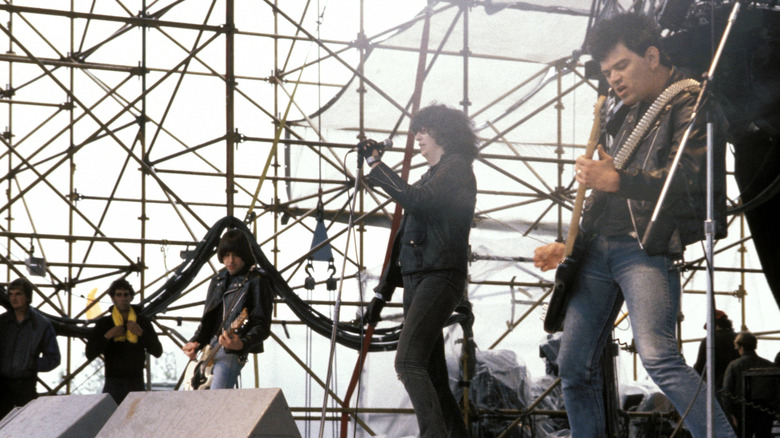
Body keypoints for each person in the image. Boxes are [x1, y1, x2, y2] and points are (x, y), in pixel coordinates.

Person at [532, 13, 735, 437]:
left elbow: (691, 177)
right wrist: (569, 246)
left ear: (652, 54)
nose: (614, 79)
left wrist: (618, 179)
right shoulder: (624, 114)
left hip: (644, 248)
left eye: (621, 66)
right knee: (572, 366)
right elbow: (606, 194)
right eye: (607, 72)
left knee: (659, 357)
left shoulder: (691, 100)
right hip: (598, 249)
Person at [363, 103, 477, 438]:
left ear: (443, 133)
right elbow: (403, 239)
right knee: (432, 374)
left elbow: (418, 200)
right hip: (419, 279)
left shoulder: (456, 168)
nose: (418, 138)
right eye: (417, 131)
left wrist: (376, 166)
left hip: (439, 275)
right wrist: (382, 294)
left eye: (424, 131)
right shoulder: (432, 175)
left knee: (407, 362)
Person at [182, 229, 274, 389]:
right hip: (208, 349)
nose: (230, 260)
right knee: (195, 403)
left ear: (245, 255)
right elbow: (208, 321)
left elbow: (262, 324)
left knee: (216, 400)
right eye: (226, 255)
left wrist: (242, 344)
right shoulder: (218, 279)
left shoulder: (257, 280)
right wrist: (194, 342)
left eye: (236, 255)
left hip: (230, 351)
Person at [86, 278, 163, 403]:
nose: (123, 298)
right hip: (113, 382)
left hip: (136, 382)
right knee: (111, 419)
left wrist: (141, 333)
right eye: (119, 295)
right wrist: (108, 335)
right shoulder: (104, 323)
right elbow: (90, 353)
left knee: (135, 420)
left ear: (131, 297)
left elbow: (157, 351)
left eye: (126, 294)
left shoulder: (142, 321)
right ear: (113, 298)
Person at [0, 277, 61, 418]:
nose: (14, 298)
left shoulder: (41, 325)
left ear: (27, 297)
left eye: (18, 294)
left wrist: (31, 364)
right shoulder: (2, 323)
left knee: (24, 426)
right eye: (11, 294)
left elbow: (54, 358)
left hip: (25, 385)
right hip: (1, 386)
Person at [722, 331, 778, 438]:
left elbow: (727, 392)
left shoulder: (734, 366)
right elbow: (776, 391)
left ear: (741, 347)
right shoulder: (769, 365)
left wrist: (731, 414)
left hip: (743, 412)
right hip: (765, 412)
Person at [693, 309, 740, 397]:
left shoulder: (708, 341)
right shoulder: (739, 338)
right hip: (738, 387)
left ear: (714, 324)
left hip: (716, 388)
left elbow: (699, 367)